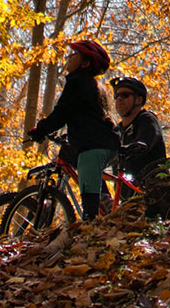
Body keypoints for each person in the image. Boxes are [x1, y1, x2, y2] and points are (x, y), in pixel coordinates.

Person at [26, 40, 118, 218]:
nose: (69, 56)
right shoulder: (89, 85)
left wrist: (40, 129)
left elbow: (62, 112)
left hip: (94, 147)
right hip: (101, 142)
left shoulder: (78, 83)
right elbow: (82, 116)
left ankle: (91, 229)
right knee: (86, 172)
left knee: (89, 205)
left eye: (74, 54)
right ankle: (106, 205)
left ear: (85, 63)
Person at [111, 76, 167, 179]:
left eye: (125, 95)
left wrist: (137, 146)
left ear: (139, 100)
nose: (119, 99)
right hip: (124, 191)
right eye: (117, 96)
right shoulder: (117, 130)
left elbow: (147, 139)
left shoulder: (147, 120)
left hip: (151, 188)